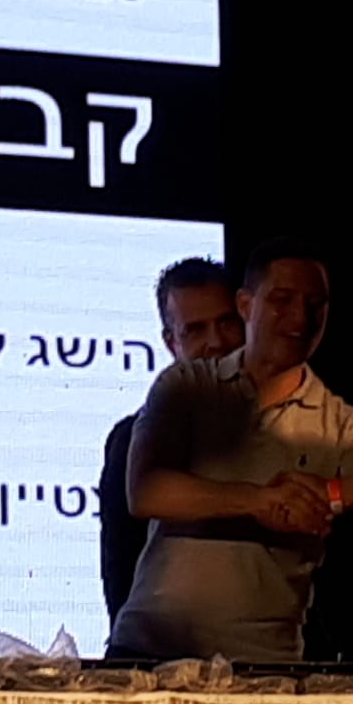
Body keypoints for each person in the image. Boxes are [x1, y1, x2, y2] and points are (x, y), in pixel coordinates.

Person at [111, 238, 353, 661]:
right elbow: (144, 495)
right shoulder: (182, 389)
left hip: (262, 664)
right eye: (283, 300)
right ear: (249, 304)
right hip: (149, 651)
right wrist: (260, 500)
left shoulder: (343, 426)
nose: (299, 317)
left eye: (314, 304)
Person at [98, 257, 243, 623]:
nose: (216, 342)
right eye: (195, 330)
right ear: (170, 342)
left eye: (227, 323)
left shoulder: (293, 423)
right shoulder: (133, 440)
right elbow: (122, 574)